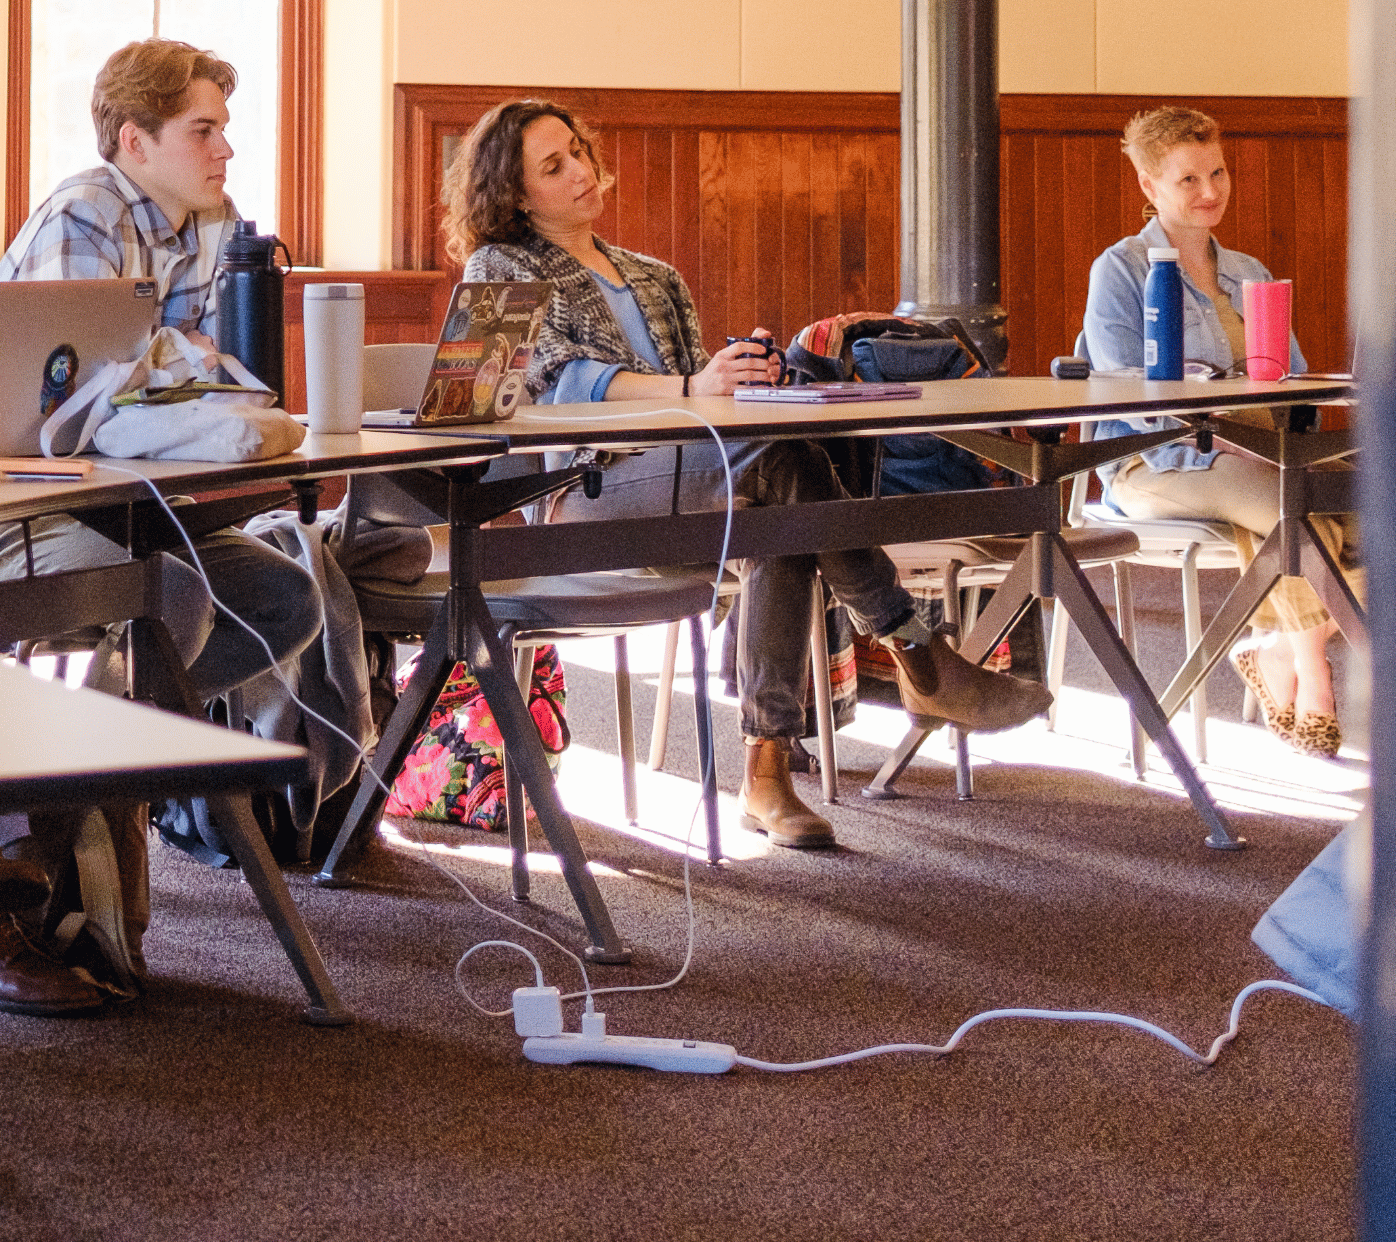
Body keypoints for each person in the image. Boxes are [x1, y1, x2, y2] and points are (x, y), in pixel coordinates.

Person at [442, 98, 1053, 851]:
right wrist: (696, 387)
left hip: (693, 487)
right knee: (784, 476)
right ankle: (909, 655)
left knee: (785, 506)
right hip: (582, 497)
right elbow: (554, 378)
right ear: (513, 192)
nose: (581, 171)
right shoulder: (499, 266)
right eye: (553, 165)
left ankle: (773, 774)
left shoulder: (655, 277)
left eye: (577, 151)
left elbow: (706, 409)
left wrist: (743, 378)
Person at [0, 40, 330, 1015]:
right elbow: (82, 401)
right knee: (164, 601)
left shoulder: (208, 228)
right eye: (203, 129)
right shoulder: (86, 209)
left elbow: (189, 380)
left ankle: (13, 830)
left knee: (281, 593)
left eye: (222, 127)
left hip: (128, 506)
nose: (225, 147)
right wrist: (184, 366)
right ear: (136, 139)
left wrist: (183, 369)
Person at [1080, 104, 1363, 756]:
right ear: (1149, 187)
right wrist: (1230, 438)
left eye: (1218, 172)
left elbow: (1290, 382)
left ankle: (1270, 646)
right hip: (1157, 459)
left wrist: (1288, 430)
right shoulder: (1120, 271)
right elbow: (1125, 390)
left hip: (1259, 453)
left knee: (1378, 511)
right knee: (1295, 508)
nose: (1210, 192)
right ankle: (1315, 673)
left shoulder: (1250, 272)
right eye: (1188, 180)